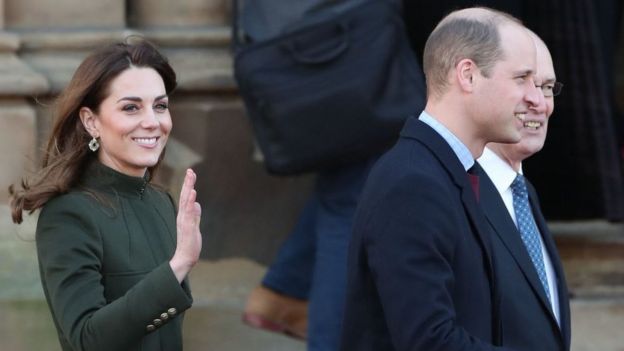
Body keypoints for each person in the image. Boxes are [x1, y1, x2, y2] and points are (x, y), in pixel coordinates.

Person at [340, 7, 540, 351]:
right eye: (521, 79)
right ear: (468, 75)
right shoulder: (413, 182)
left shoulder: (451, 171)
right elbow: (428, 341)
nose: (536, 99)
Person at [8, 39, 202, 351]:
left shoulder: (161, 203)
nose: (152, 121)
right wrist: (178, 265)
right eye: (131, 107)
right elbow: (88, 340)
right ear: (91, 121)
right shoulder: (68, 215)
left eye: (160, 105)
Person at [477, 32, 571, 350]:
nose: (540, 103)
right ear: (471, 81)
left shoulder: (521, 191)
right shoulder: (448, 190)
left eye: (547, 87)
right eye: (522, 82)